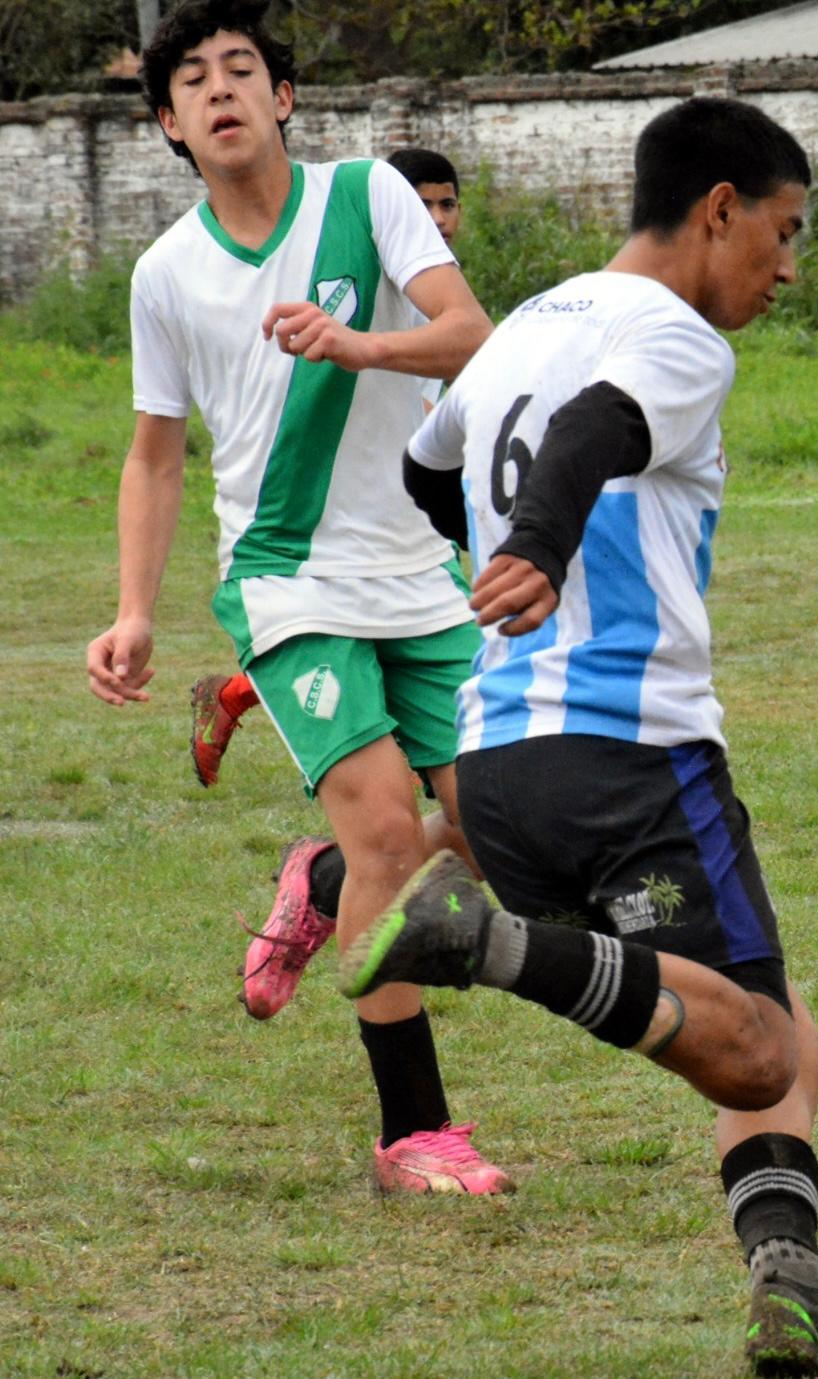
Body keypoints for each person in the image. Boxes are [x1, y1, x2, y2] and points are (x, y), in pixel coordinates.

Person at [337, 96, 818, 1377]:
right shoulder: (675, 335)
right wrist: (535, 546)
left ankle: (791, 1288)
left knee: (773, 1019)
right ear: (720, 210)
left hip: (499, 769)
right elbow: (594, 430)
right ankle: (493, 944)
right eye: (786, 230)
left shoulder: (521, 326)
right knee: (760, 1050)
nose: (790, 266)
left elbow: (426, 467)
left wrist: (504, 555)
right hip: (628, 760)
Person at [85, 0, 511, 1196]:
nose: (219, 89)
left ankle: (320, 884)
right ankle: (413, 1133)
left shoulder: (369, 196)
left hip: (421, 574)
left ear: (283, 98)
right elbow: (156, 454)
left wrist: (359, 344)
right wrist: (134, 610)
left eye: (241, 69)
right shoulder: (166, 274)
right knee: (388, 836)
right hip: (283, 581)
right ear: (168, 125)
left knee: (507, 836)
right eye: (192, 80)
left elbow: (471, 334)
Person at [190, 144, 467, 790]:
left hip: (410, 533)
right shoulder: (350, 269)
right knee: (386, 786)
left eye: (447, 203)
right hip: (322, 549)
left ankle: (335, 843)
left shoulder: (442, 297)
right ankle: (235, 699)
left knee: (485, 802)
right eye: (422, 204)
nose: (436, 217)